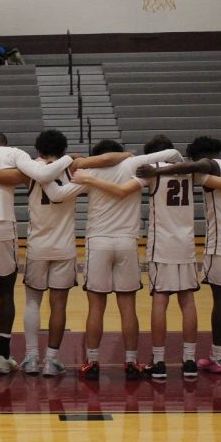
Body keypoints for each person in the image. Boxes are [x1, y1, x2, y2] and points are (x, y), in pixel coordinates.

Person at [0, 131, 95, 377]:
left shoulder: (28, 173)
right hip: (65, 247)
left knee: (32, 302)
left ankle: (30, 357)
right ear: (63, 150)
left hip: (37, 246)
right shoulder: (74, 172)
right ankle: (51, 360)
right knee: (58, 304)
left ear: (38, 151)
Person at [138, 136, 221, 374]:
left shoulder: (202, 169)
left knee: (214, 299)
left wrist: (159, 170)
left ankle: (213, 358)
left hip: (212, 242)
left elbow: (197, 168)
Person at [71, 140, 181, 380]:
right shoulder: (132, 164)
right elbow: (174, 153)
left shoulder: (88, 171)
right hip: (127, 241)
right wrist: (127, 157)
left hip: (98, 241)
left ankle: (92, 361)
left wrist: (86, 164)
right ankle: (131, 361)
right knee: (128, 306)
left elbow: (67, 176)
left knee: (96, 306)